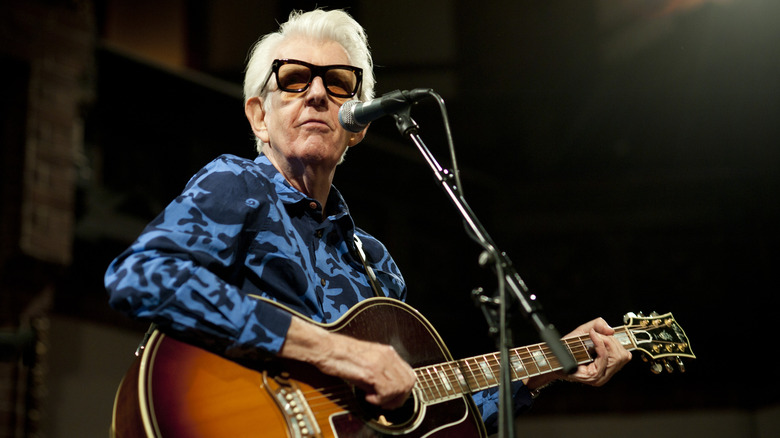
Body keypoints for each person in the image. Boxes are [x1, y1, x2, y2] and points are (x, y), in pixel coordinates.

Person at [105, 8, 631, 435]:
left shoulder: (375, 264)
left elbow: (428, 416)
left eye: (338, 84)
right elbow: (140, 277)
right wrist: (338, 351)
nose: (316, 94)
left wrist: (545, 370)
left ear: (356, 127)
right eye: (293, 80)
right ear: (259, 117)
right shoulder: (237, 186)